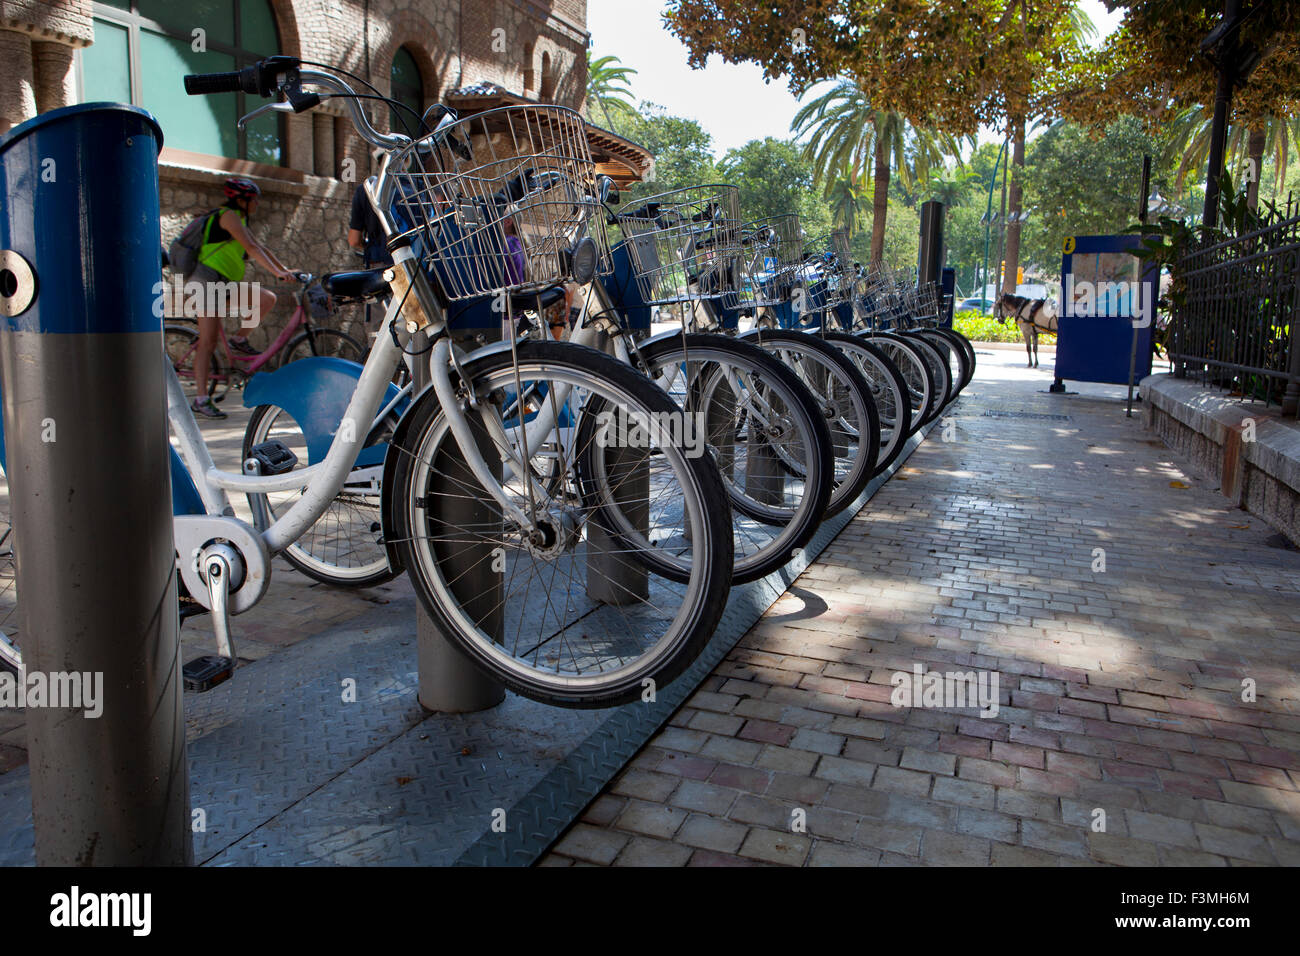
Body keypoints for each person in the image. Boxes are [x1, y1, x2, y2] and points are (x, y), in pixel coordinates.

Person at [189, 177, 298, 418]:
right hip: (206, 284)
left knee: (266, 298)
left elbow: (259, 246)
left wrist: (285, 271)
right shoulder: (227, 215)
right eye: (254, 200)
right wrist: (277, 272)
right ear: (241, 200)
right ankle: (200, 398)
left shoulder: (237, 219)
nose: (257, 204)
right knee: (208, 343)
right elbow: (251, 248)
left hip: (223, 285)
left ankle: (239, 339)